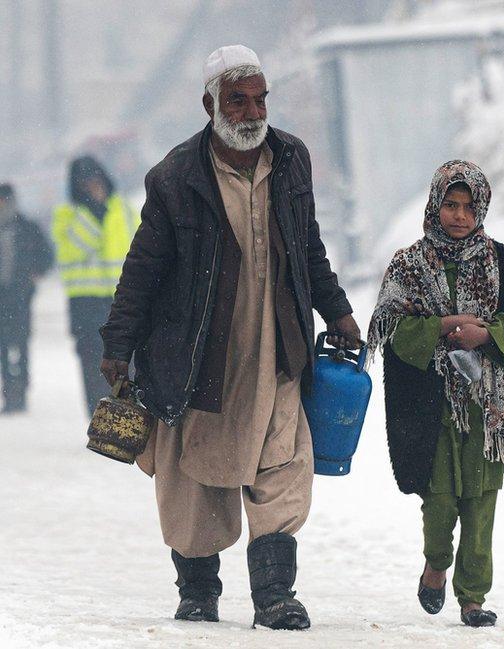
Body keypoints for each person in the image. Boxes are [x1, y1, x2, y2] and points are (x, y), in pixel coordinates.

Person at [99, 45, 360, 630]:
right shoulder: (174, 179)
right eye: (237, 101)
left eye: (260, 98)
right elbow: (144, 267)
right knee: (193, 475)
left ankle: (273, 597)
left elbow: (308, 244)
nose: (251, 112)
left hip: (276, 348)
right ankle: (198, 590)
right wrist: (119, 344)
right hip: (197, 355)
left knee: (282, 463)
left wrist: (336, 309)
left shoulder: (292, 159)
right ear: (209, 105)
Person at [367, 160, 504, 628]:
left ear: (482, 210)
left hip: (485, 404)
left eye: (468, 206)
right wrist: (439, 327)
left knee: (481, 501)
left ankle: (473, 597)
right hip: (430, 402)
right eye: (450, 205)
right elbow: (389, 326)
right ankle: (436, 564)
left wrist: (487, 336)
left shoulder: (501, 263)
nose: (459, 215)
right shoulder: (409, 264)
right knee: (440, 501)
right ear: (435, 205)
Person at [52, 155, 138, 414]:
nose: (92, 186)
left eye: (95, 180)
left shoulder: (123, 209)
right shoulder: (66, 215)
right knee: (92, 363)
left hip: (120, 298)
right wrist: (94, 212)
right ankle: (99, 418)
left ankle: (127, 417)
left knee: (127, 362)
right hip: (85, 301)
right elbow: (72, 251)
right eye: (86, 182)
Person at [0, 183, 53, 413]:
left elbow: (46, 255)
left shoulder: (27, 227)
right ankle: (9, 391)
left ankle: (21, 389)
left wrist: (34, 274)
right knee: (3, 346)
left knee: (20, 343)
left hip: (20, 297)